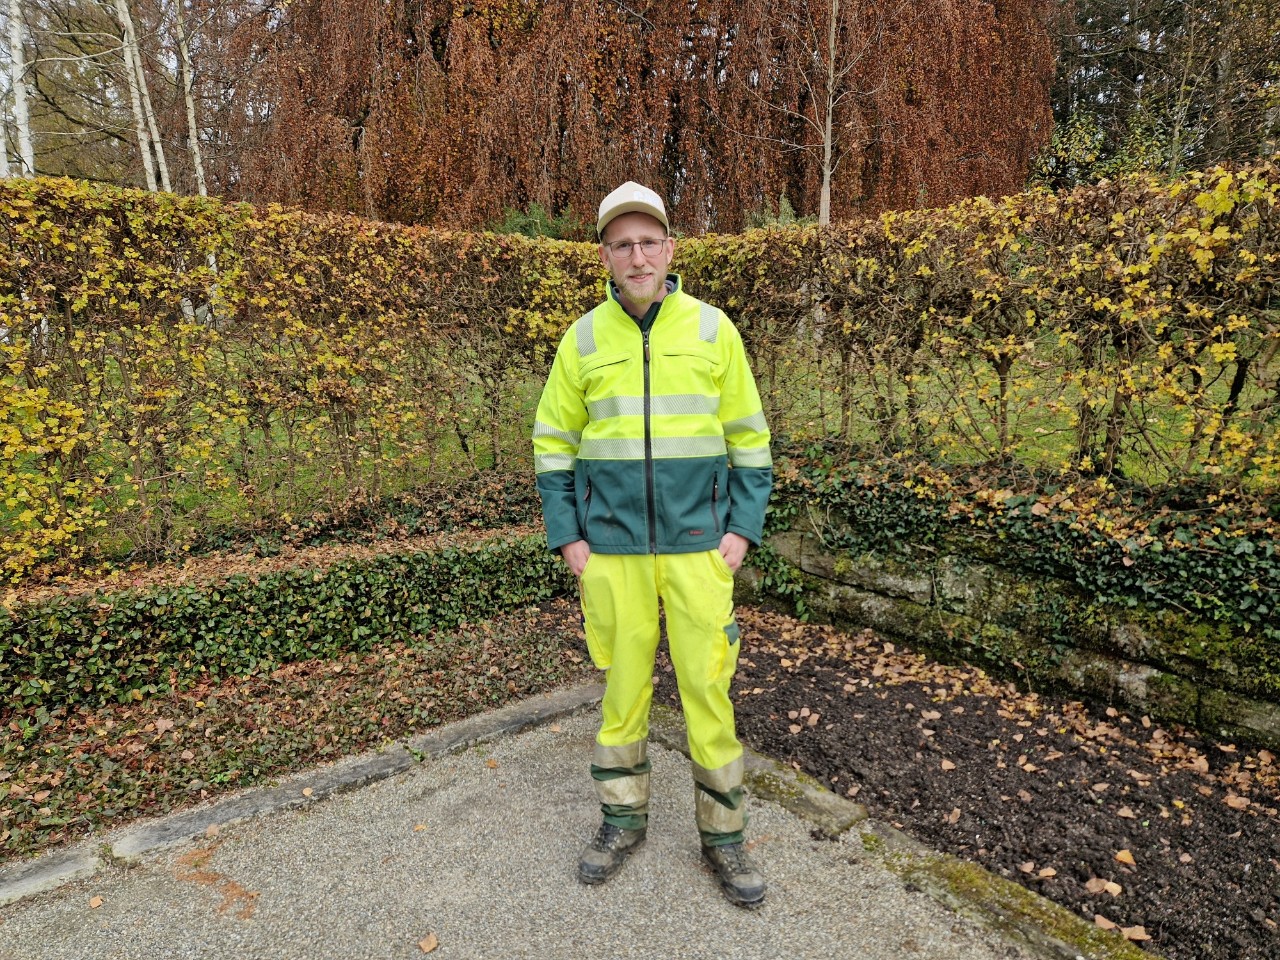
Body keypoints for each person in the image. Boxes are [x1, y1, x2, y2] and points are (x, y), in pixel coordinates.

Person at [531, 181, 773, 908]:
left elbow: (750, 439)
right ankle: (621, 822)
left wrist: (741, 528)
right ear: (603, 255)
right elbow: (551, 447)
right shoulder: (581, 340)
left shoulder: (712, 330)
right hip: (611, 554)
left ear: (670, 248)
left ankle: (724, 840)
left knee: (707, 690)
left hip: (700, 547)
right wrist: (569, 537)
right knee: (622, 695)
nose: (636, 255)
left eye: (648, 241)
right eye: (620, 243)